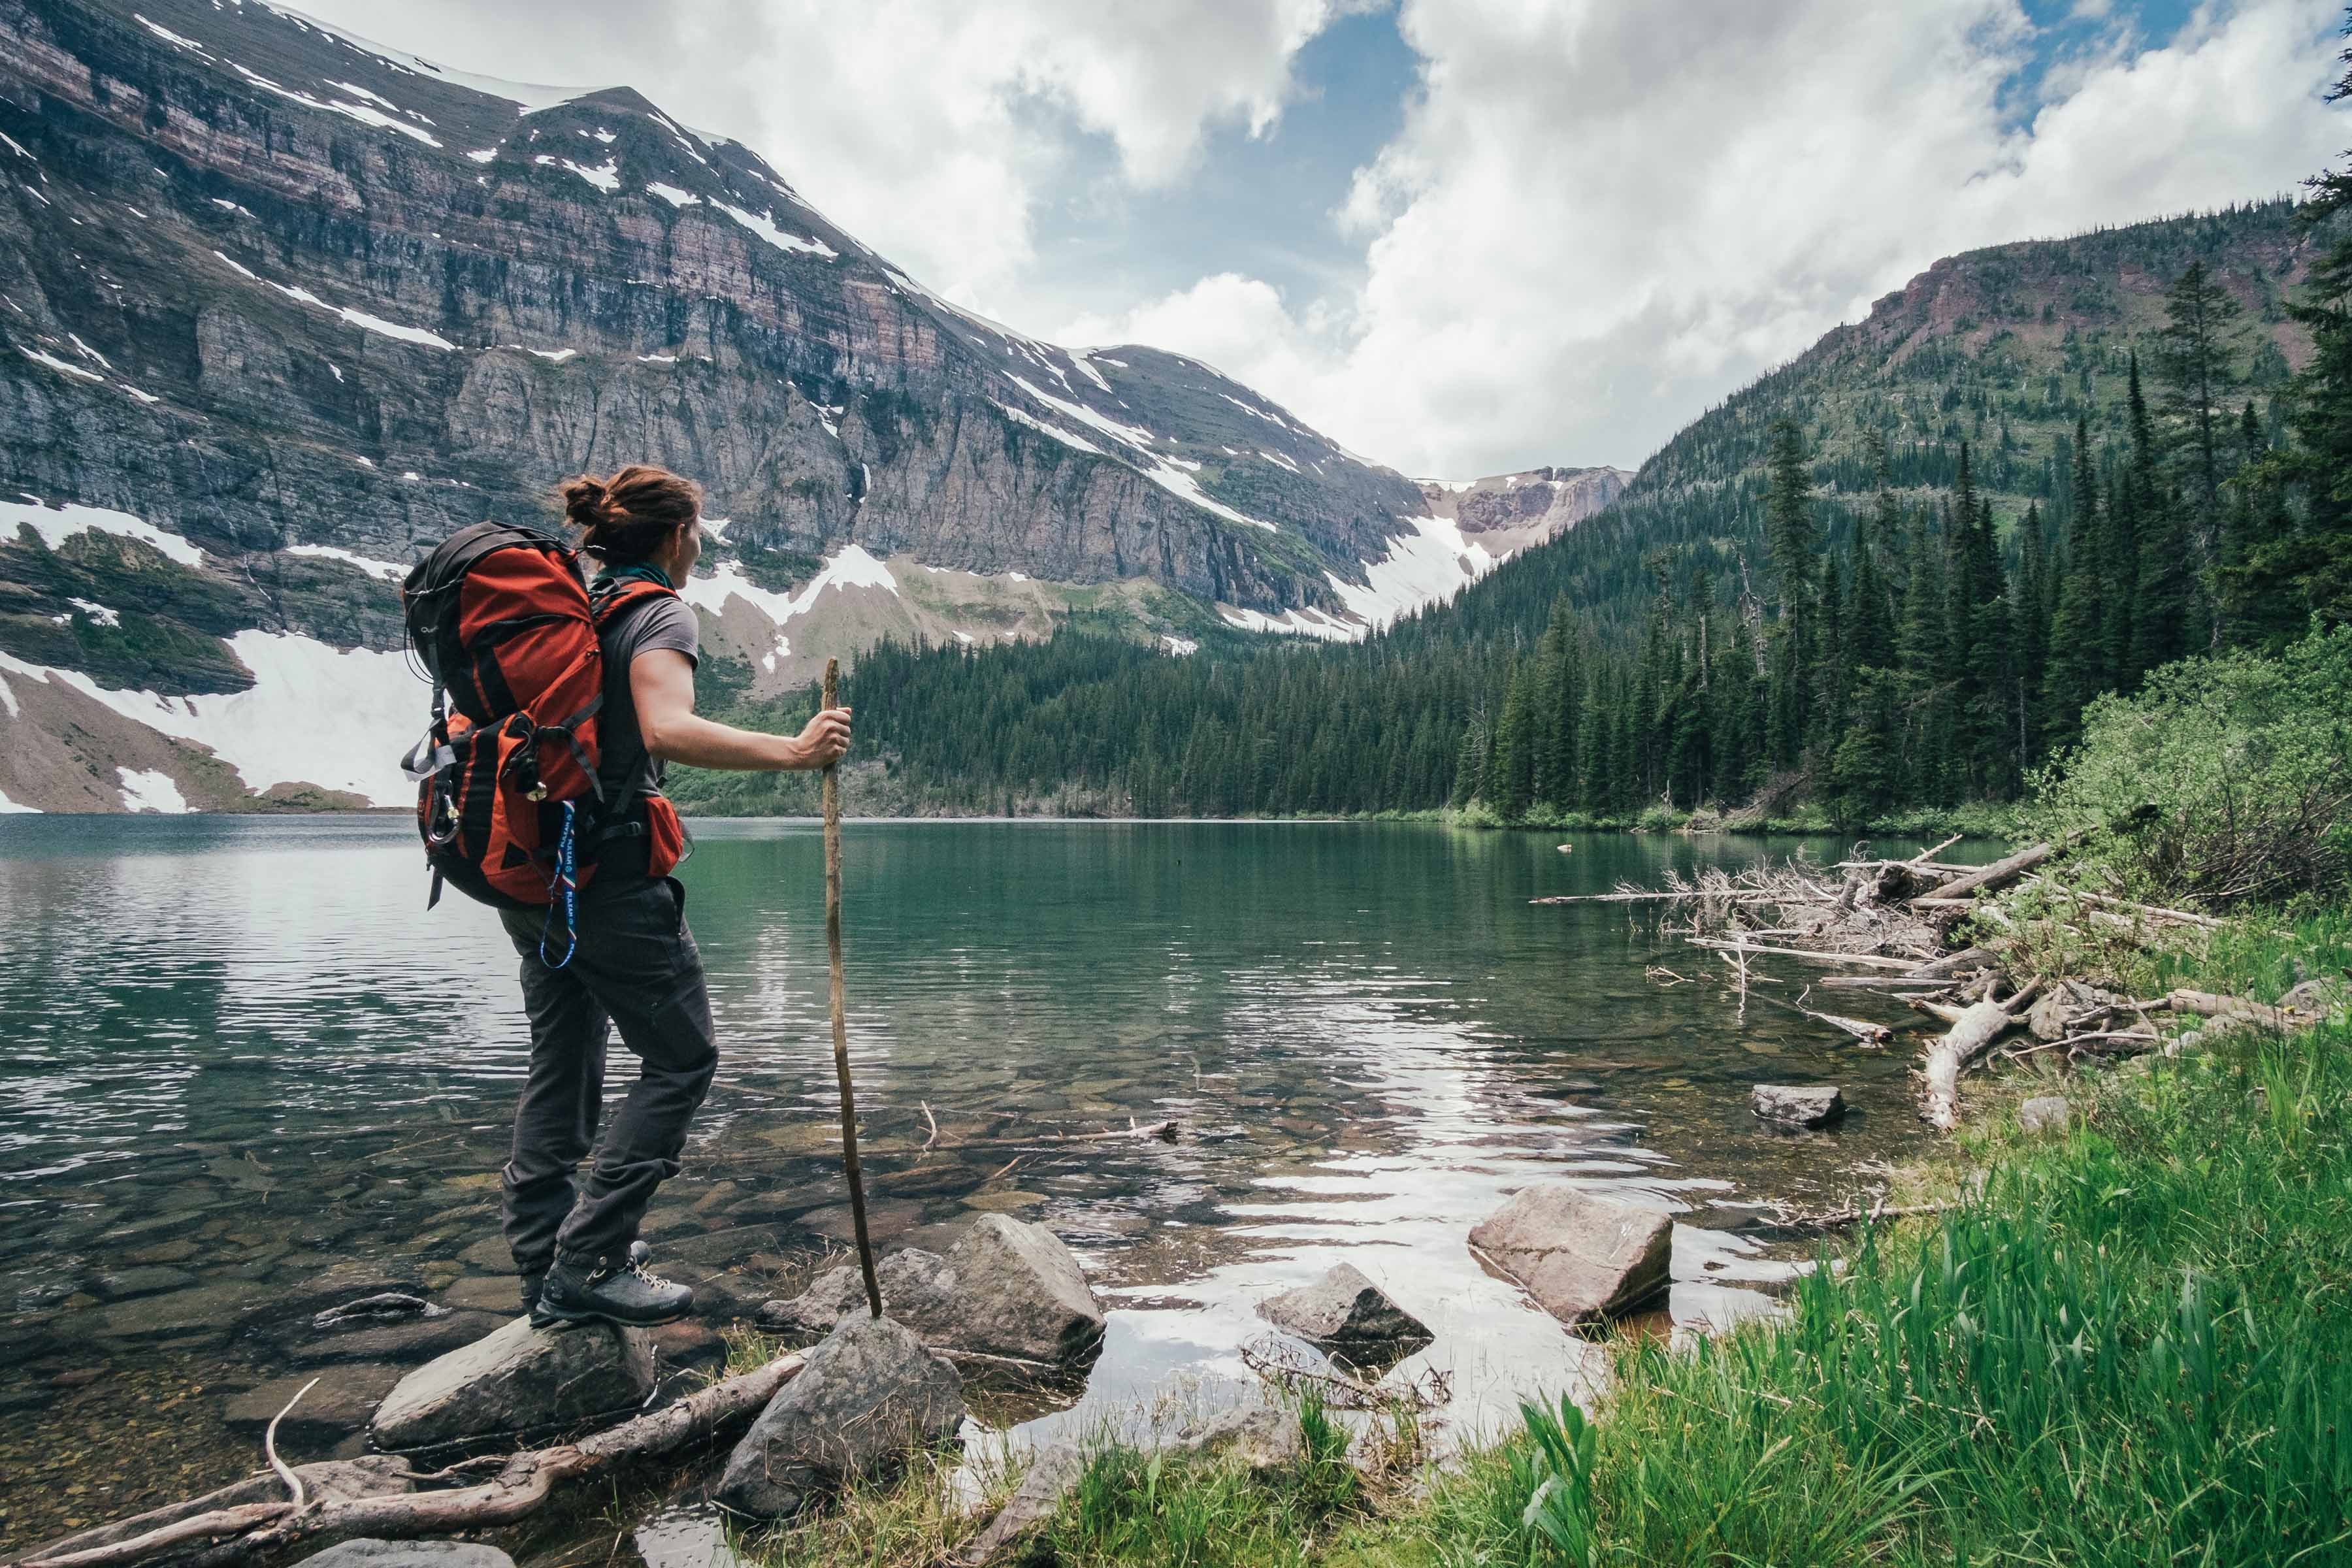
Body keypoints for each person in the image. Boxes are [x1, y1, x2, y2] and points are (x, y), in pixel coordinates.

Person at [505, 464, 851, 1329]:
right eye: (696, 531)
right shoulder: (658, 610)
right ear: (672, 536)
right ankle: (587, 1262)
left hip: (532, 874)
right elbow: (665, 728)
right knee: (683, 1058)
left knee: (563, 1064)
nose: (700, 546)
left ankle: (546, 1260)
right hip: (612, 884)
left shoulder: (576, 609)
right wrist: (795, 753)